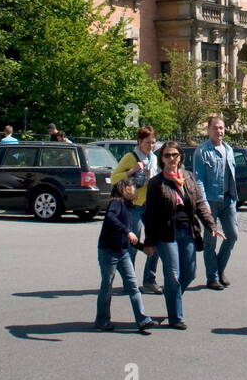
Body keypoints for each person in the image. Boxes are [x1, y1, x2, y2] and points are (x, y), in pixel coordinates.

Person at [142, 143, 221, 329]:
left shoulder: (188, 177)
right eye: (167, 155)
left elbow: (199, 203)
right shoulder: (156, 183)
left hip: (188, 231)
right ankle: (176, 317)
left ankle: (172, 296)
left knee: (190, 273)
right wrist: (149, 241)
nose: (172, 159)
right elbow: (150, 214)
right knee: (173, 274)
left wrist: (211, 225)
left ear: (181, 157)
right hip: (166, 234)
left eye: (175, 155)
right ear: (162, 159)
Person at [95, 178, 156, 334]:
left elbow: (129, 238)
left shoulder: (129, 207)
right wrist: (127, 231)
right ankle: (102, 320)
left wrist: (142, 248)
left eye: (134, 187)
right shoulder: (116, 202)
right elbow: (110, 218)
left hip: (123, 252)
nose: (133, 189)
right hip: (108, 251)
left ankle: (143, 320)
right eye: (130, 187)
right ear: (122, 189)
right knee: (107, 285)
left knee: (133, 285)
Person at [109, 127, 161, 294]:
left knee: (155, 242)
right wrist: (132, 171)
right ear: (139, 142)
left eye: (153, 143)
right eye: (147, 143)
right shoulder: (130, 157)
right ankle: (129, 282)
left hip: (151, 206)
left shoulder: (153, 158)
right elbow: (114, 178)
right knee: (133, 244)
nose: (150, 146)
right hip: (134, 207)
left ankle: (149, 280)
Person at [193, 115, 238, 290]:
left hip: (228, 200)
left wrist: (233, 197)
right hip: (210, 201)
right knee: (210, 241)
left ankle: (219, 269)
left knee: (232, 235)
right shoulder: (202, 151)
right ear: (208, 130)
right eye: (215, 128)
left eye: (221, 128)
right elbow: (199, 180)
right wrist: (203, 203)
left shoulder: (229, 149)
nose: (219, 131)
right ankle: (212, 277)